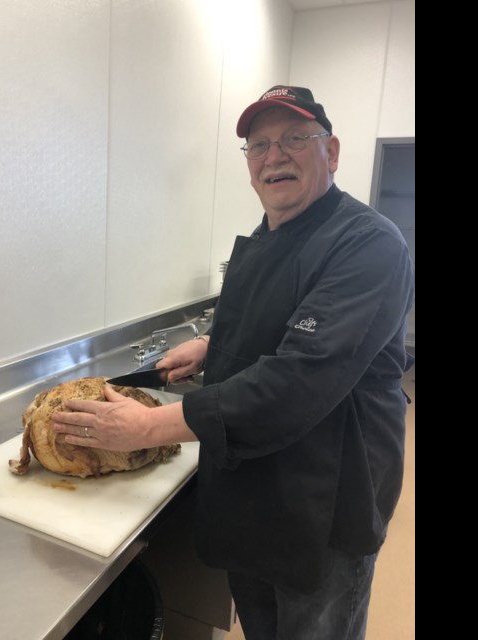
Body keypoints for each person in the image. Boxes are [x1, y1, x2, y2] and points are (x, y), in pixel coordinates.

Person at [53, 85, 414, 640]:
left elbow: (299, 378)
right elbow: (269, 319)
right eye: (259, 144)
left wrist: (148, 425)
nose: (275, 155)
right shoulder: (264, 239)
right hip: (255, 491)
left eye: (296, 138)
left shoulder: (369, 244)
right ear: (249, 164)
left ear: (333, 152)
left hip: (327, 499)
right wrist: (210, 343)